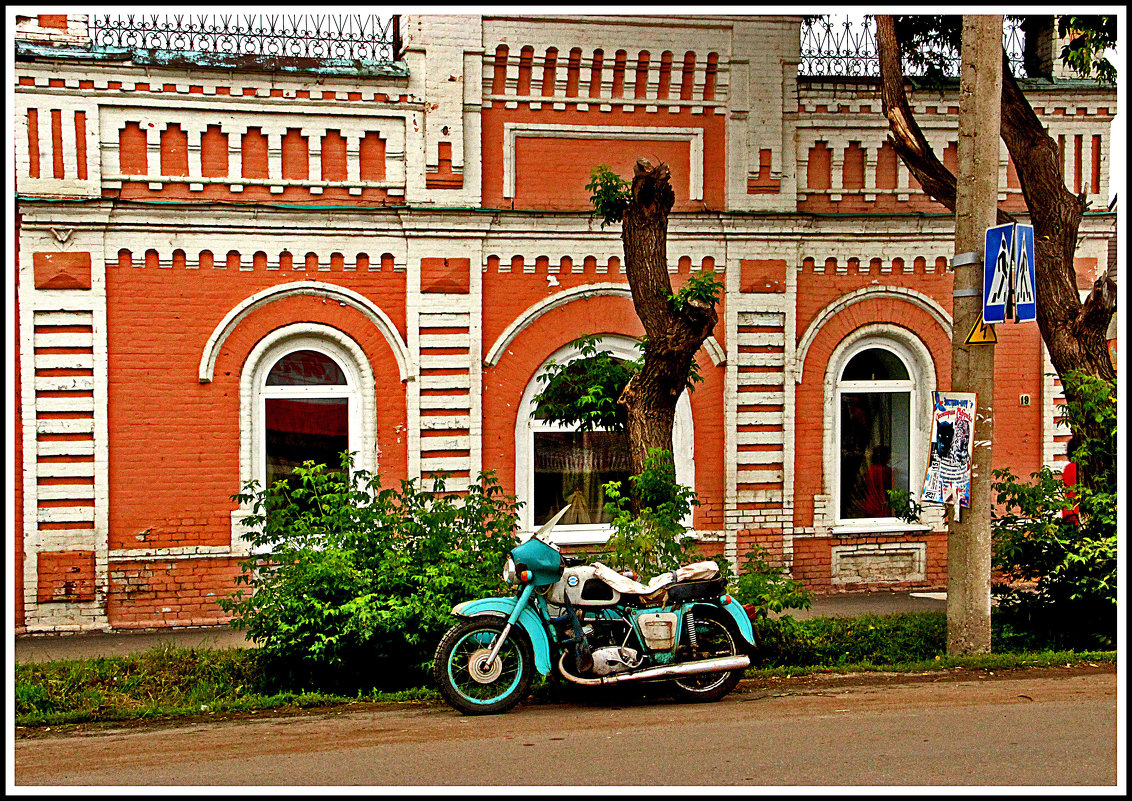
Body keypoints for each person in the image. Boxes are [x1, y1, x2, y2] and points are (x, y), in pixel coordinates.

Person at [861, 444, 893, 517]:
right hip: (881, 507)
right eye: (889, 455)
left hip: (869, 505)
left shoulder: (870, 470)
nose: (890, 458)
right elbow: (889, 490)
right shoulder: (886, 471)